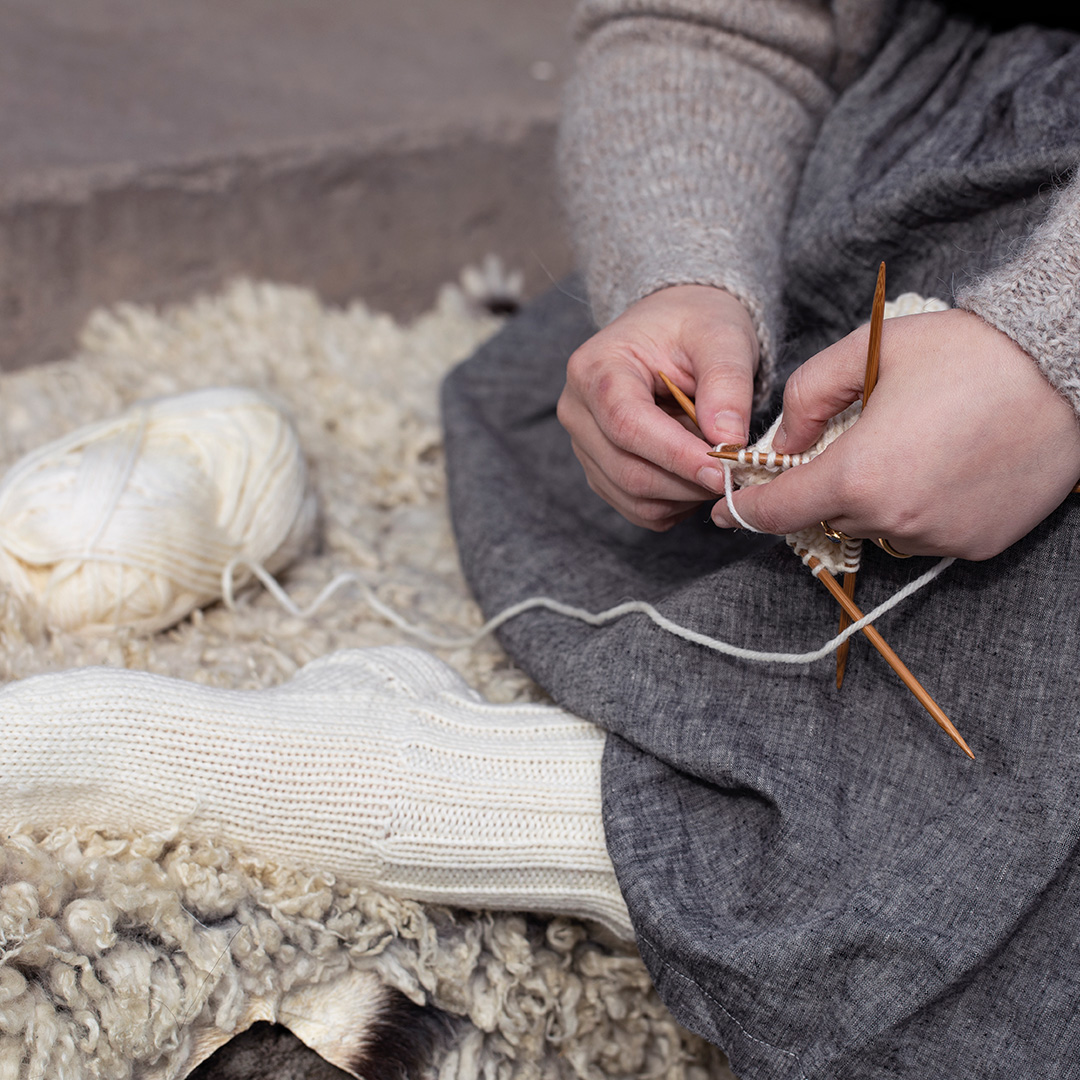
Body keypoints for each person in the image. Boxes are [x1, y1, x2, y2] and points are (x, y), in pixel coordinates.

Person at [441, 2, 1080, 1076]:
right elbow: (712, 25)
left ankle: (606, 822)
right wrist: (680, 272)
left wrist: (1050, 352)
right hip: (936, 179)